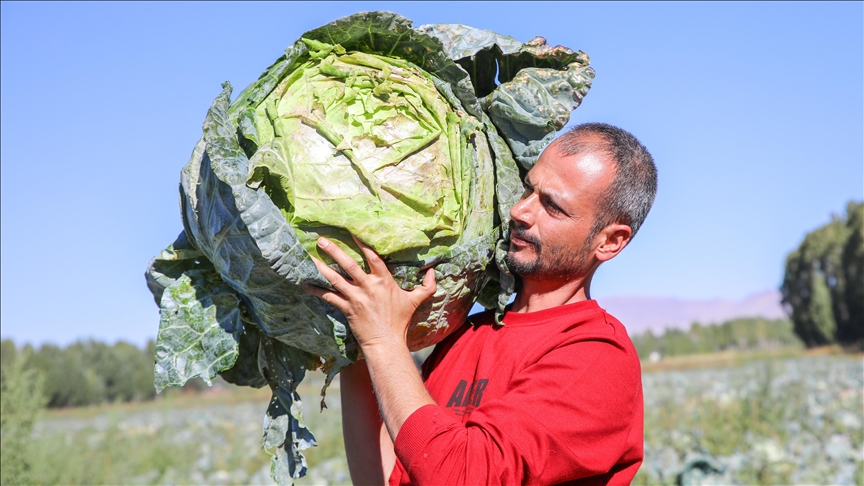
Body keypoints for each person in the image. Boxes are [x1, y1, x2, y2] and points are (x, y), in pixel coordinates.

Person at [304, 122, 658, 485]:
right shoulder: (466, 332)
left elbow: (461, 476)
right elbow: (390, 475)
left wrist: (382, 340)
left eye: (552, 206)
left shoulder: (596, 356)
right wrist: (356, 332)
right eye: (528, 189)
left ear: (610, 242)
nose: (521, 211)